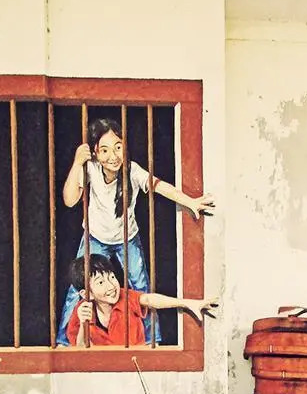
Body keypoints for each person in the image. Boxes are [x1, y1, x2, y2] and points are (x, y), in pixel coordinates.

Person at [56, 117, 215, 346]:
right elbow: (70, 200)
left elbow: (160, 187)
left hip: (126, 238)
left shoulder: (132, 171)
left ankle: (151, 341)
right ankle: (64, 342)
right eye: (104, 150)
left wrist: (190, 201)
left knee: (140, 287)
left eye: (118, 147)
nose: (113, 156)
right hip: (95, 237)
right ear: (95, 153)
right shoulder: (90, 168)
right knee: (78, 288)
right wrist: (77, 162)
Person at [65, 254, 218, 347]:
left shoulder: (125, 297)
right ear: (86, 293)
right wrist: (83, 324)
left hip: (135, 366)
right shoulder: (81, 310)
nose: (111, 285)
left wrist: (188, 303)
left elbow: (150, 299)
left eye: (112, 277)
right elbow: (80, 352)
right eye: (100, 282)